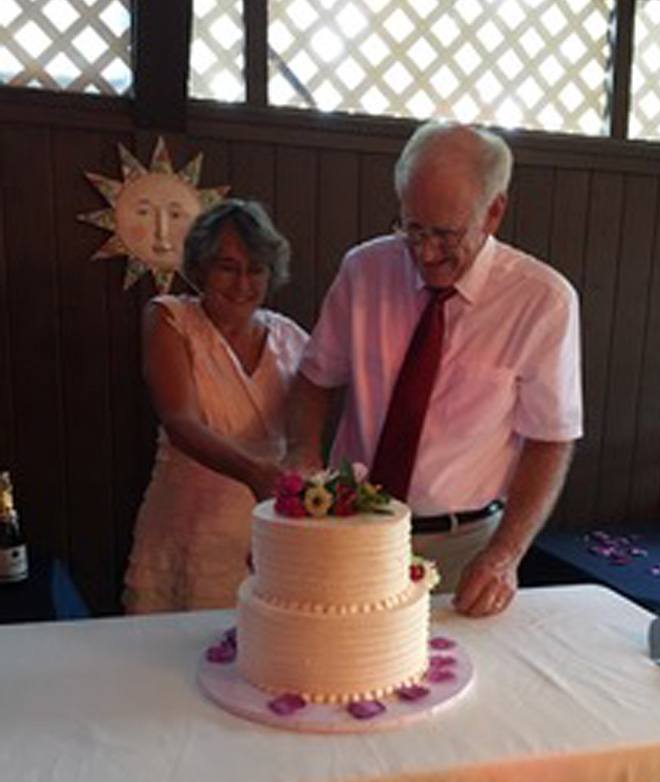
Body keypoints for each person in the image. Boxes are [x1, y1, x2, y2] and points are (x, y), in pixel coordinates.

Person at [286, 122, 582, 617]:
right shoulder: (364, 271)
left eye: (444, 234)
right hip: (348, 527)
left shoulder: (543, 301)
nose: (424, 252)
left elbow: (550, 439)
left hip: (464, 546)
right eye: (412, 228)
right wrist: (302, 456)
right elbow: (315, 380)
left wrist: (505, 556)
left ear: (493, 211)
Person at [124, 199, 308, 613]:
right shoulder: (170, 318)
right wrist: (254, 472)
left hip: (265, 533)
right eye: (228, 266)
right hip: (185, 527)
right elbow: (179, 421)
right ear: (200, 268)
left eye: (256, 269)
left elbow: (309, 433)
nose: (242, 282)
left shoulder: (292, 338)